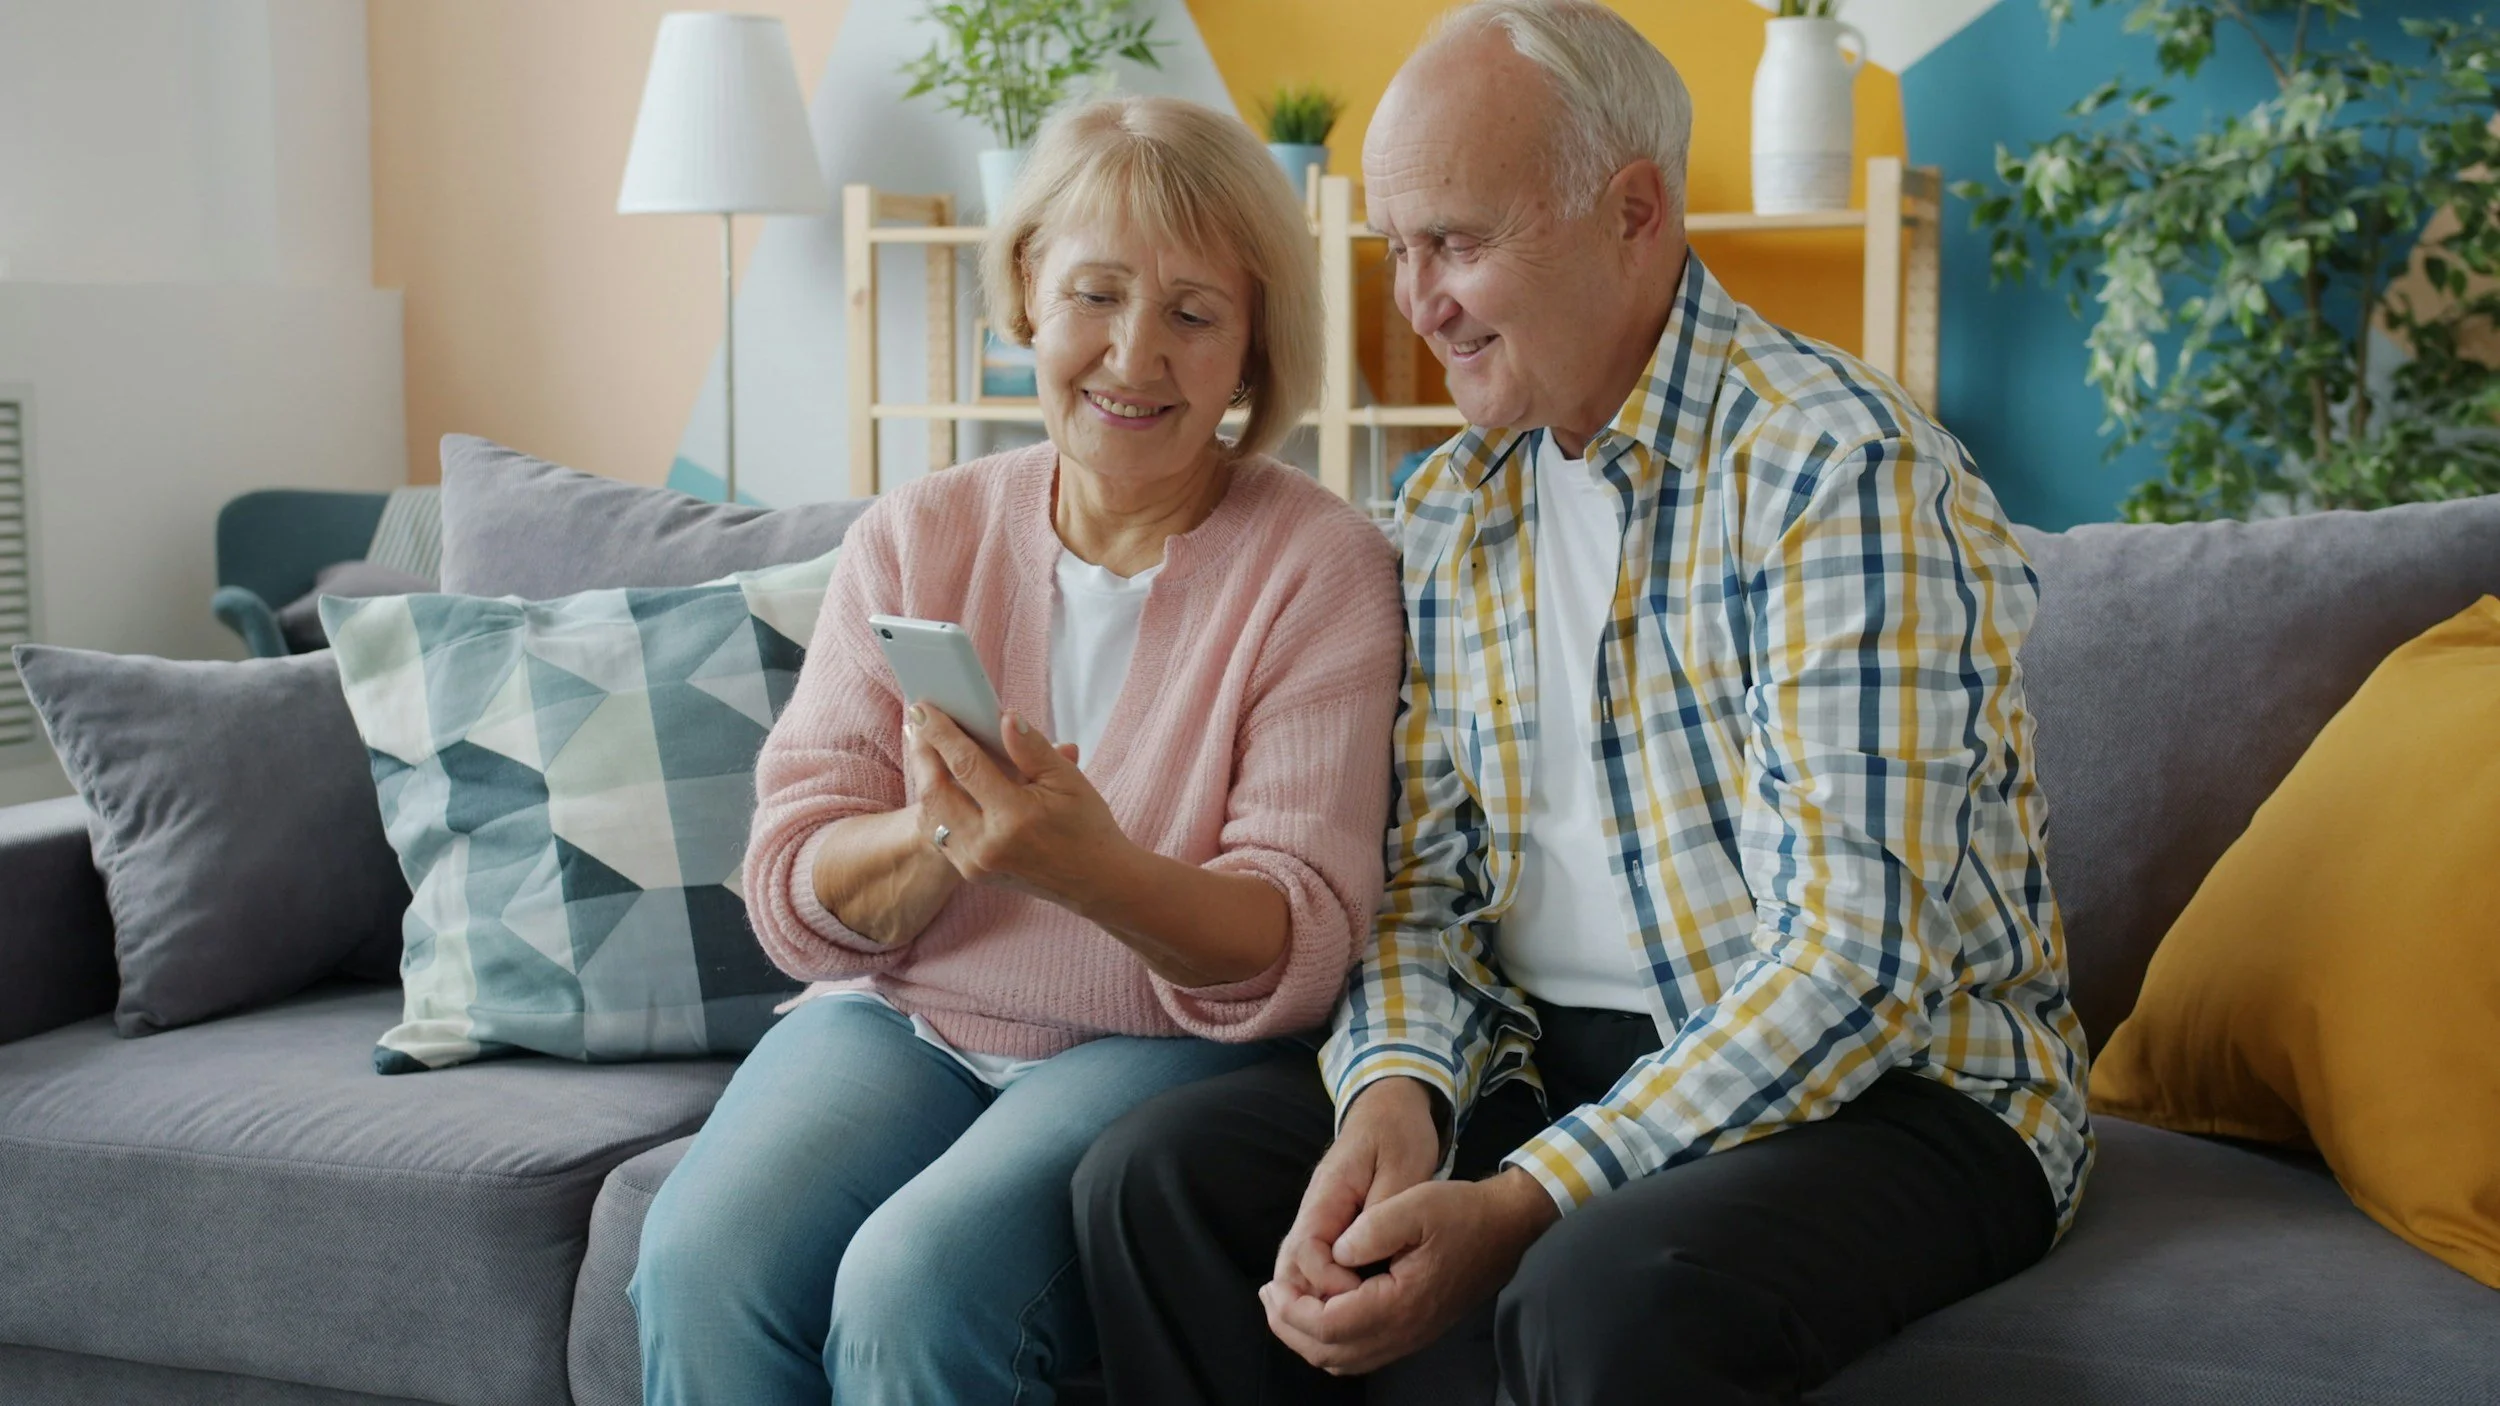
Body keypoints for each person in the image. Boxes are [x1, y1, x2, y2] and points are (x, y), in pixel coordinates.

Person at [1073, 4, 2095, 1403]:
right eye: (1398, 250)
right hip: (1552, 1048)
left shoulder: (1832, 470)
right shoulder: (1448, 508)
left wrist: (1525, 1199)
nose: (1417, 301)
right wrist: (1396, 1097)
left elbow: (1857, 962)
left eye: (1459, 243)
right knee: (1160, 1179)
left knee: (1603, 1289)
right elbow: (1422, 892)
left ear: (1635, 211)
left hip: (1904, 1088)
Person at [628, 94, 1405, 1406]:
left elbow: (1298, 934)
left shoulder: (1317, 566)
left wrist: (1088, 867)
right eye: (1095, 294)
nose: (1133, 354)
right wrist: (944, 836)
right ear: (1029, 294)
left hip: (1156, 1037)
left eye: (1193, 313)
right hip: (908, 1020)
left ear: (1255, 347)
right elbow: (793, 885)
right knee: (698, 1259)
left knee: (909, 1287)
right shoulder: (919, 531)